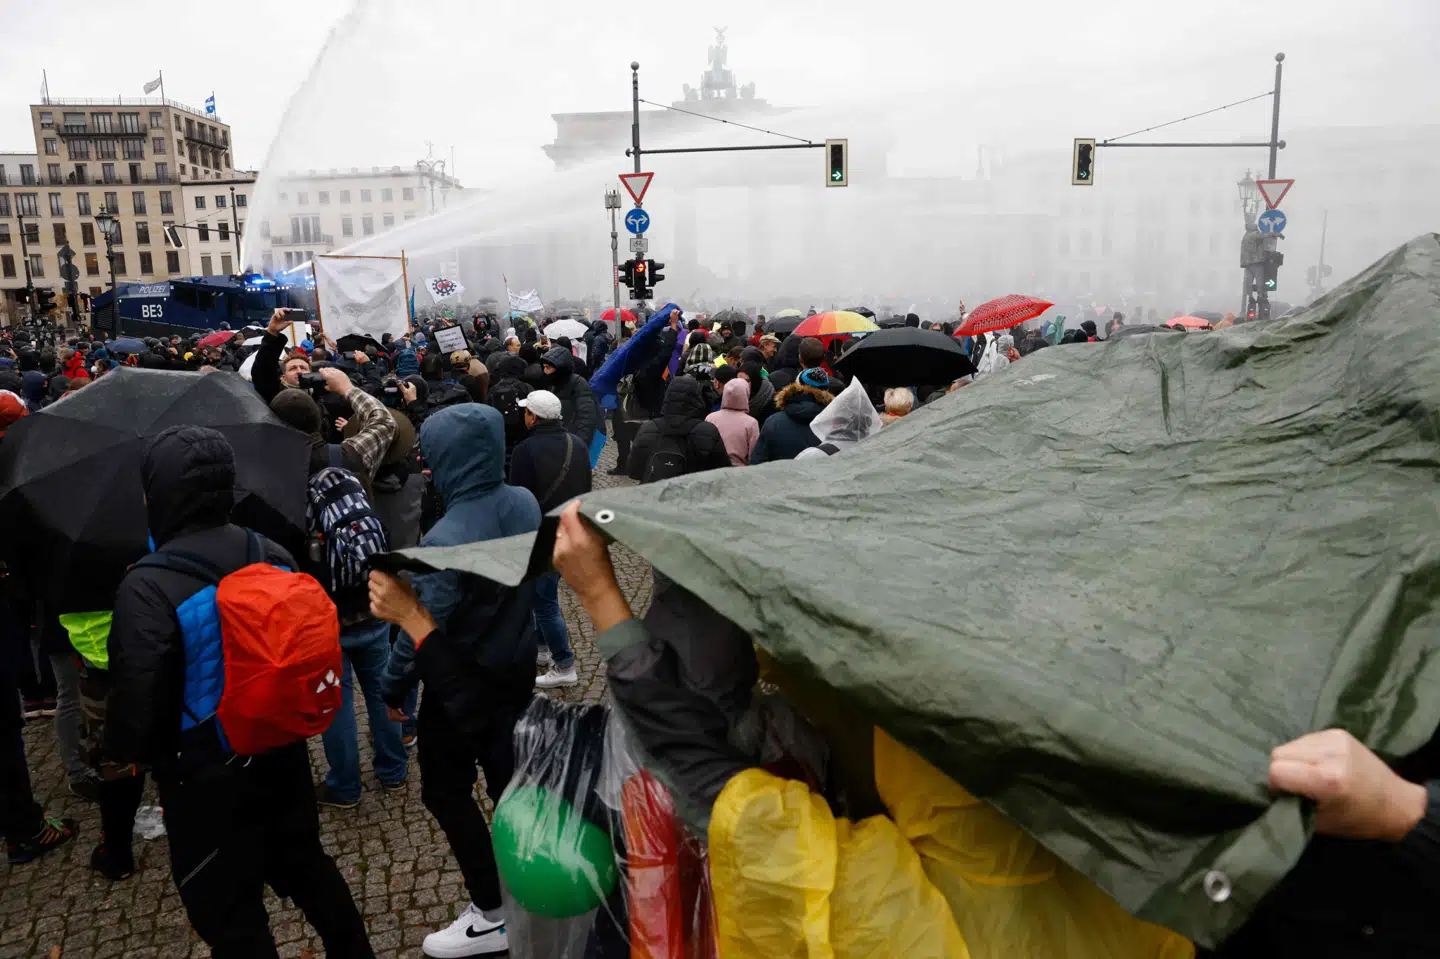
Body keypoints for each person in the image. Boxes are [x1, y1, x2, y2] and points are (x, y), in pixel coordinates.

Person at [102, 426, 374, 957]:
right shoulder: (269, 550)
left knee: (228, 913)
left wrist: (139, 757)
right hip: (281, 749)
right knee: (310, 871)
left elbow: (138, 699)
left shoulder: (147, 585)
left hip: (204, 773)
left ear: (158, 491)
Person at [374, 404, 540, 958]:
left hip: (459, 687)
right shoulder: (524, 501)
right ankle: (534, 891)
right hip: (515, 671)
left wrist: (394, 688)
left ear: (444, 458)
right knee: (509, 786)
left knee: (445, 792)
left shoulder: (449, 535)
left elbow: (421, 624)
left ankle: (491, 912)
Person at [507, 390, 592, 689]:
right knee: (539, 596)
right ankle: (542, 649)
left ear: (534, 416)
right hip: (569, 531)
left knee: (543, 602)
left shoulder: (524, 451)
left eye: (526, 411)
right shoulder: (578, 444)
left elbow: (519, 500)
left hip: (540, 536)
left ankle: (565, 663)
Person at [628, 375, 732, 483]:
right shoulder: (708, 431)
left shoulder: (648, 428)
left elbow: (634, 471)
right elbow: (723, 473)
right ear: (696, 398)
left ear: (667, 397)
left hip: (653, 494)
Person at [751, 368, 836, 464]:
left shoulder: (773, 422)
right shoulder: (837, 424)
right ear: (827, 391)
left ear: (797, 386)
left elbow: (757, 462)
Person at [541, 346, 597, 445]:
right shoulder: (553, 384)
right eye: (544, 367)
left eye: (548, 368)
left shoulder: (578, 383)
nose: (545, 371)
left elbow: (586, 416)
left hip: (573, 440)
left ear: (559, 368)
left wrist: (580, 443)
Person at [705, 377, 760, 466]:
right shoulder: (751, 423)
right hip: (740, 474)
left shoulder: (710, 418)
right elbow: (753, 456)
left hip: (713, 471)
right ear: (746, 394)